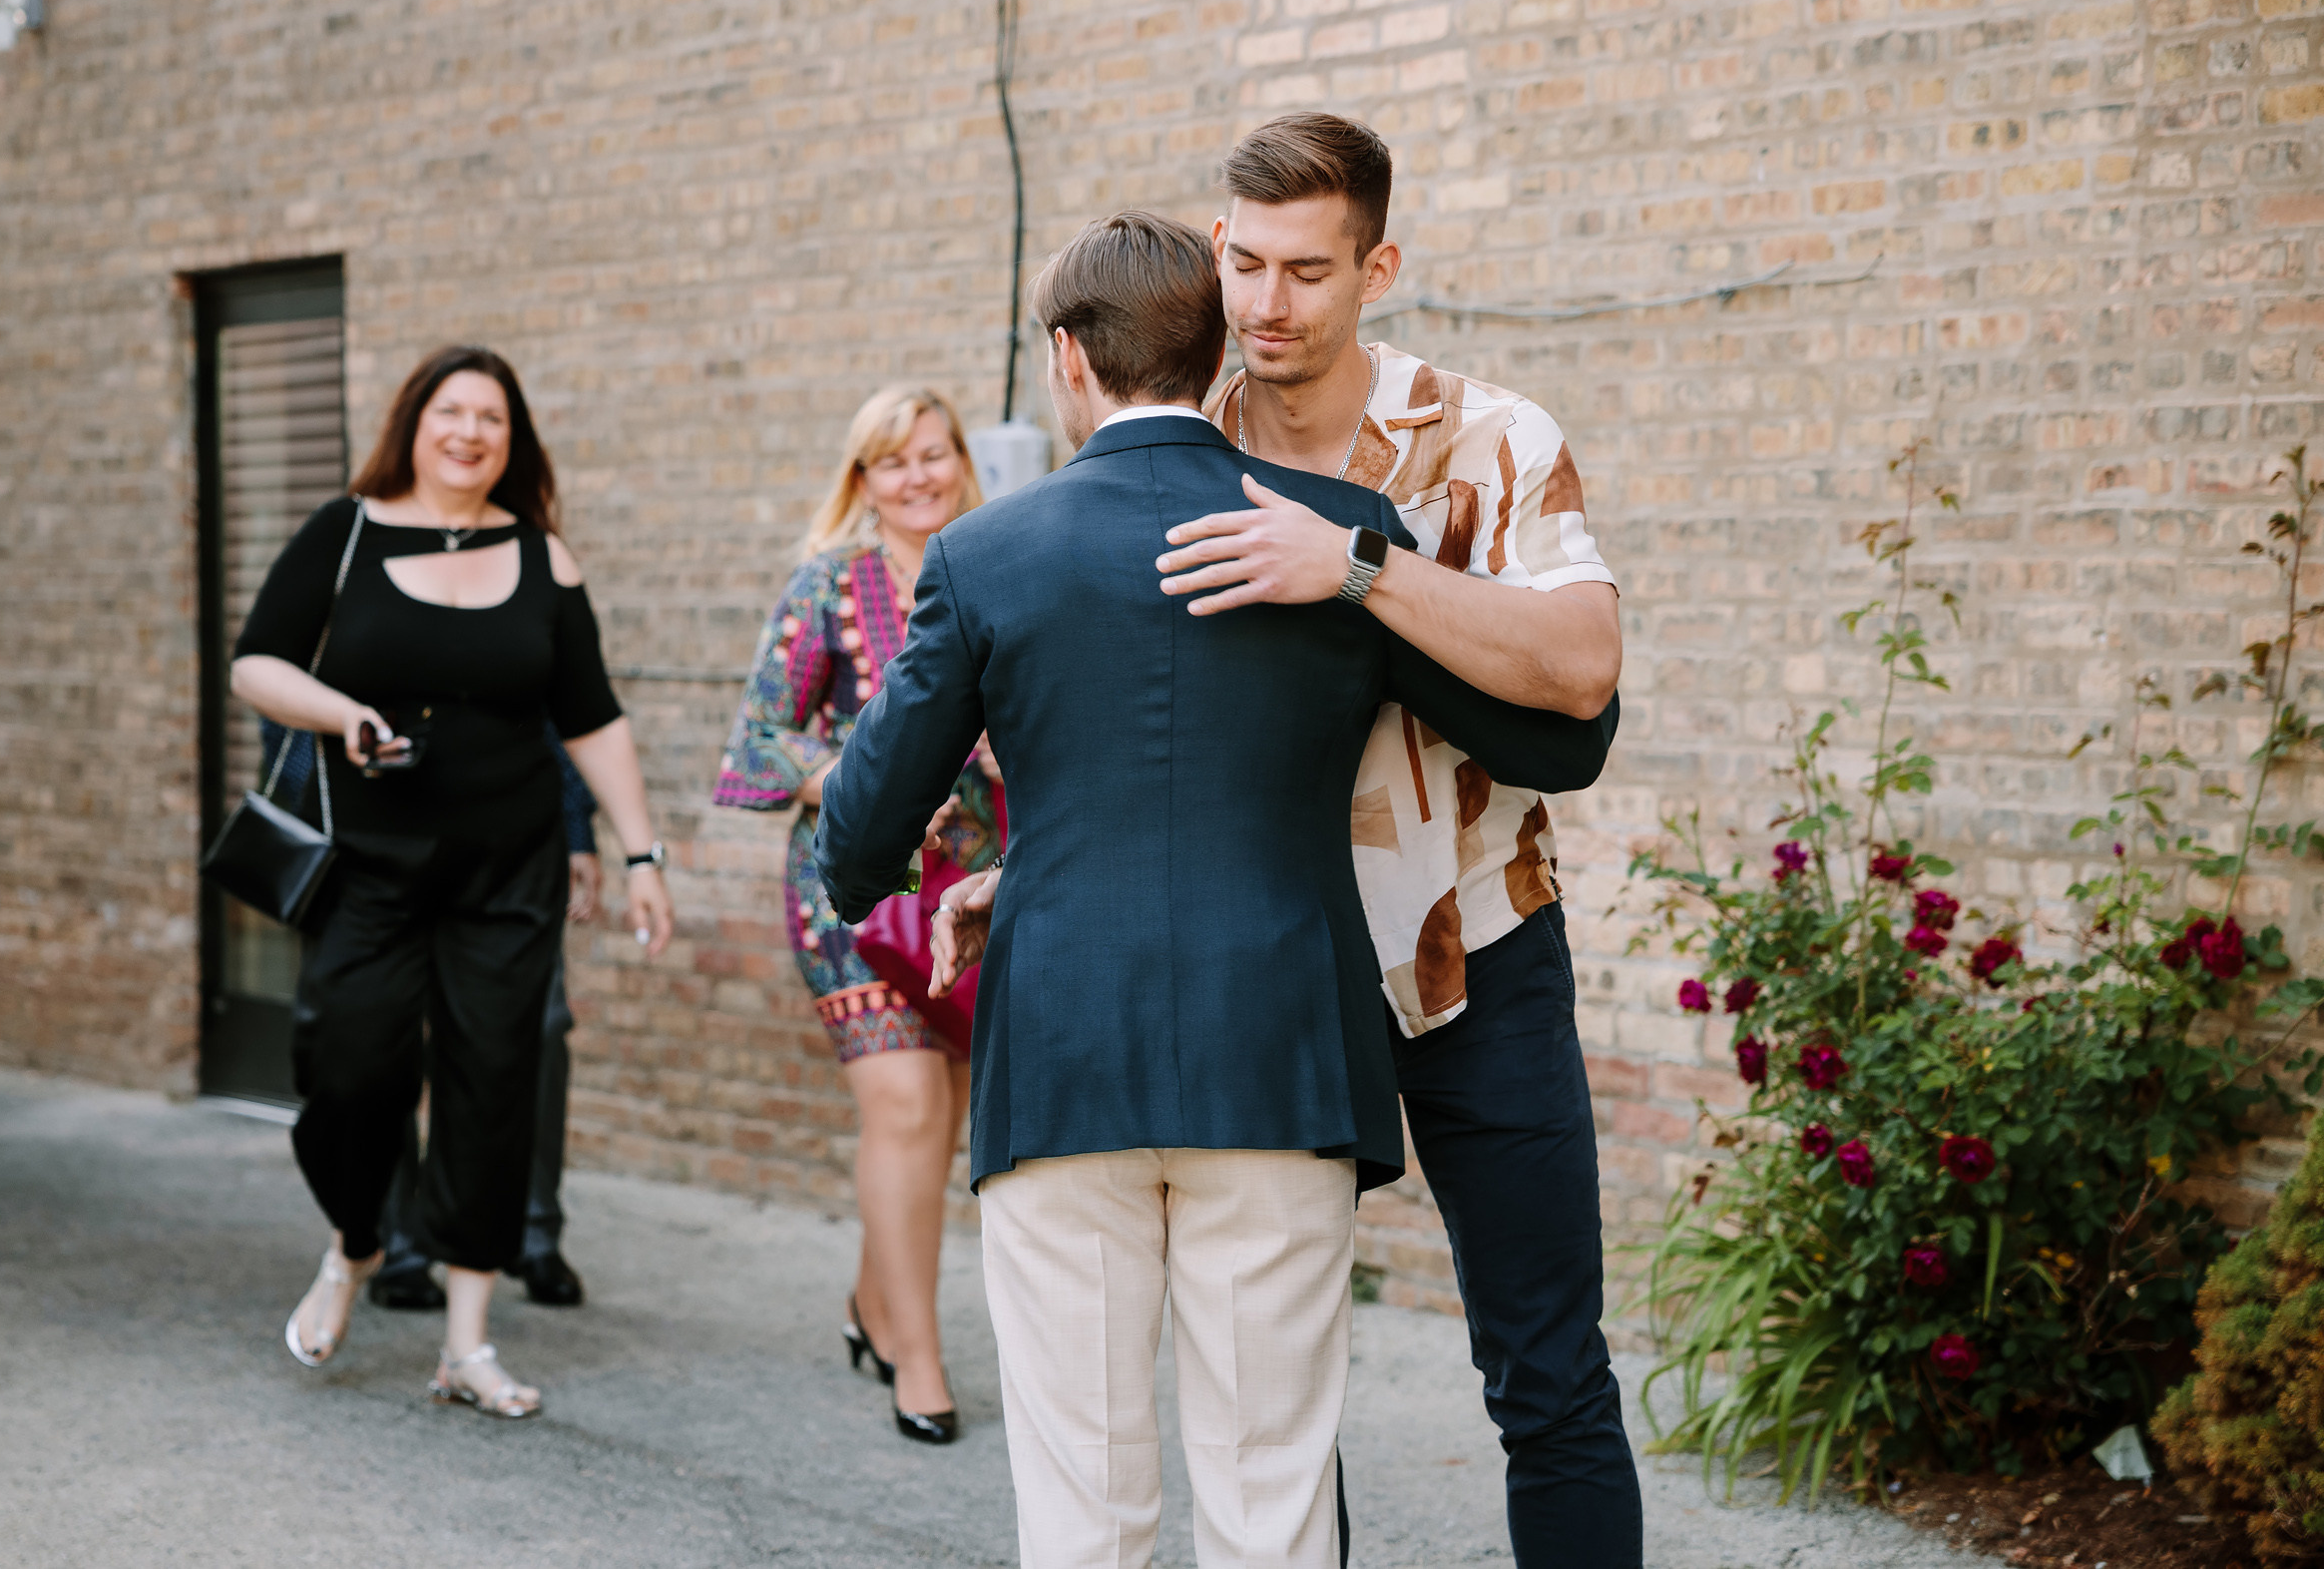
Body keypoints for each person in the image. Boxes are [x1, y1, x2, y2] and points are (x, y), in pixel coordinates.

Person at [817, 211, 1617, 1569]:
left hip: (1063, 1057)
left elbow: (855, 843)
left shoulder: (984, 555)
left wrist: (1000, 860)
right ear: (1214, 345)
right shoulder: (1341, 537)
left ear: (1070, 361)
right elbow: (1557, 741)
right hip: (1282, 1059)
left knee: (1086, 1502)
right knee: (1272, 1497)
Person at [232, 343, 674, 1420]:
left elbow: (592, 718)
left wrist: (642, 851)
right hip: (372, 862)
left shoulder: (544, 557)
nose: (471, 432)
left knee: (490, 1087)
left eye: (493, 419)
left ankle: (466, 1347)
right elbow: (256, 662)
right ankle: (354, 1245)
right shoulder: (345, 532)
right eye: (452, 412)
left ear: (511, 443)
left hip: (506, 867)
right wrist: (344, 715)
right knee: (346, 1060)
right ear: (414, 423)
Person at [710, 384, 1002, 1444]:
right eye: (893, 461)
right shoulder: (825, 584)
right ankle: (913, 1358)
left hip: (968, 886)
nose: (918, 475)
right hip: (847, 885)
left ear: (962, 461)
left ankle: (869, 1303)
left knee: (939, 1116)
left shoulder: (992, 568)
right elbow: (758, 736)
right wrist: (856, 776)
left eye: (933, 454)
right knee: (907, 1109)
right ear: (862, 479)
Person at [369, 729, 603, 1310]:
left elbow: (561, 711)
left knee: (544, 1027)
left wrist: (578, 832)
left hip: (514, 842)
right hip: (386, 836)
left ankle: (535, 1231)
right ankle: (399, 1241)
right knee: (387, 1032)